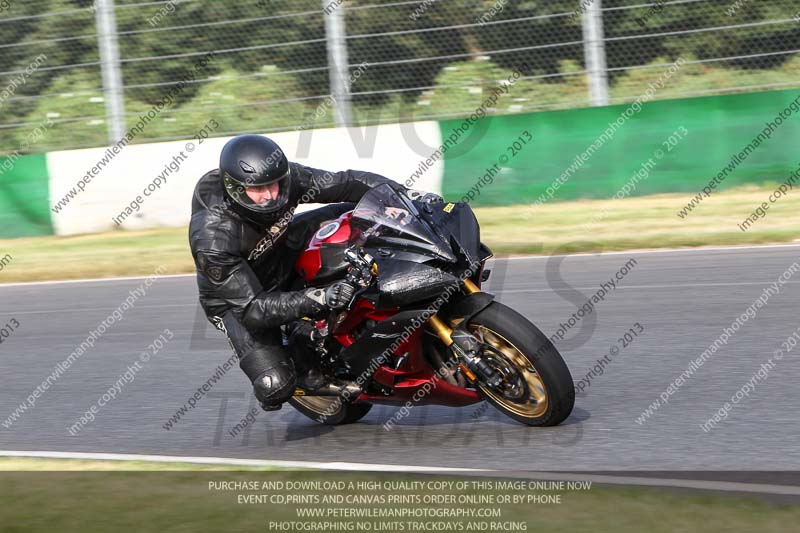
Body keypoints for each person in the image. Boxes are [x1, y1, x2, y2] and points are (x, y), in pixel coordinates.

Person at [189, 134, 441, 411]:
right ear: (235, 189)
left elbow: (347, 183)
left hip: (281, 248)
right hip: (239, 301)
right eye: (258, 189)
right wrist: (320, 297)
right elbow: (253, 308)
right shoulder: (213, 236)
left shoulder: (285, 177)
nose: (270, 195)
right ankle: (299, 355)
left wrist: (404, 197)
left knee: (359, 213)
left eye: (273, 184)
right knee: (274, 385)